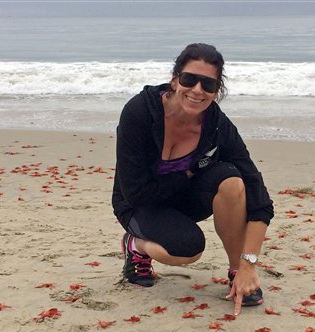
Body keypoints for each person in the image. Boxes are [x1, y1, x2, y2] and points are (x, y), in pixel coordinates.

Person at [112, 43, 274, 316]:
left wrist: (249, 263)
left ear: (217, 90)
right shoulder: (139, 112)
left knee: (232, 180)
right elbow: (137, 193)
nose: (198, 90)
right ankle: (135, 245)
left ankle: (237, 273)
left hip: (184, 199)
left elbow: (256, 189)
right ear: (175, 80)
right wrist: (187, 174)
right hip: (138, 203)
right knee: (186, 250)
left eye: (208, 85)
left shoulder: (216, 124)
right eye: (190, 79)